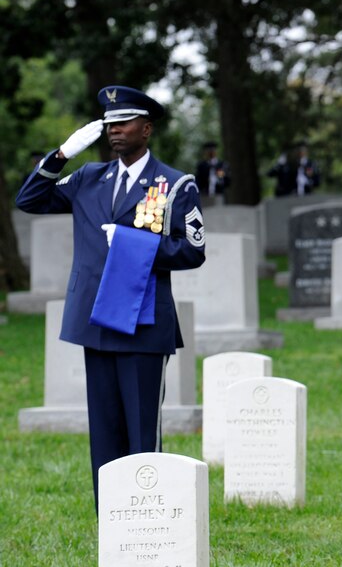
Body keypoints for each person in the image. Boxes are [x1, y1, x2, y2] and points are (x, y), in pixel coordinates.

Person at [16, 85, 206, 509]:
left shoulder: (174, 185)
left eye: (124, 123)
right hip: (97, 321)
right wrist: (62, 154)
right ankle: (113, 520)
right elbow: (29, 199)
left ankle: (149, 516)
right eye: (109, 125)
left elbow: (193, 250)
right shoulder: (88, 179)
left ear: (147, 129)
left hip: (142, 322)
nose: (115, 131)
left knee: (141, 431)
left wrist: (133, 244)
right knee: (103, 432)